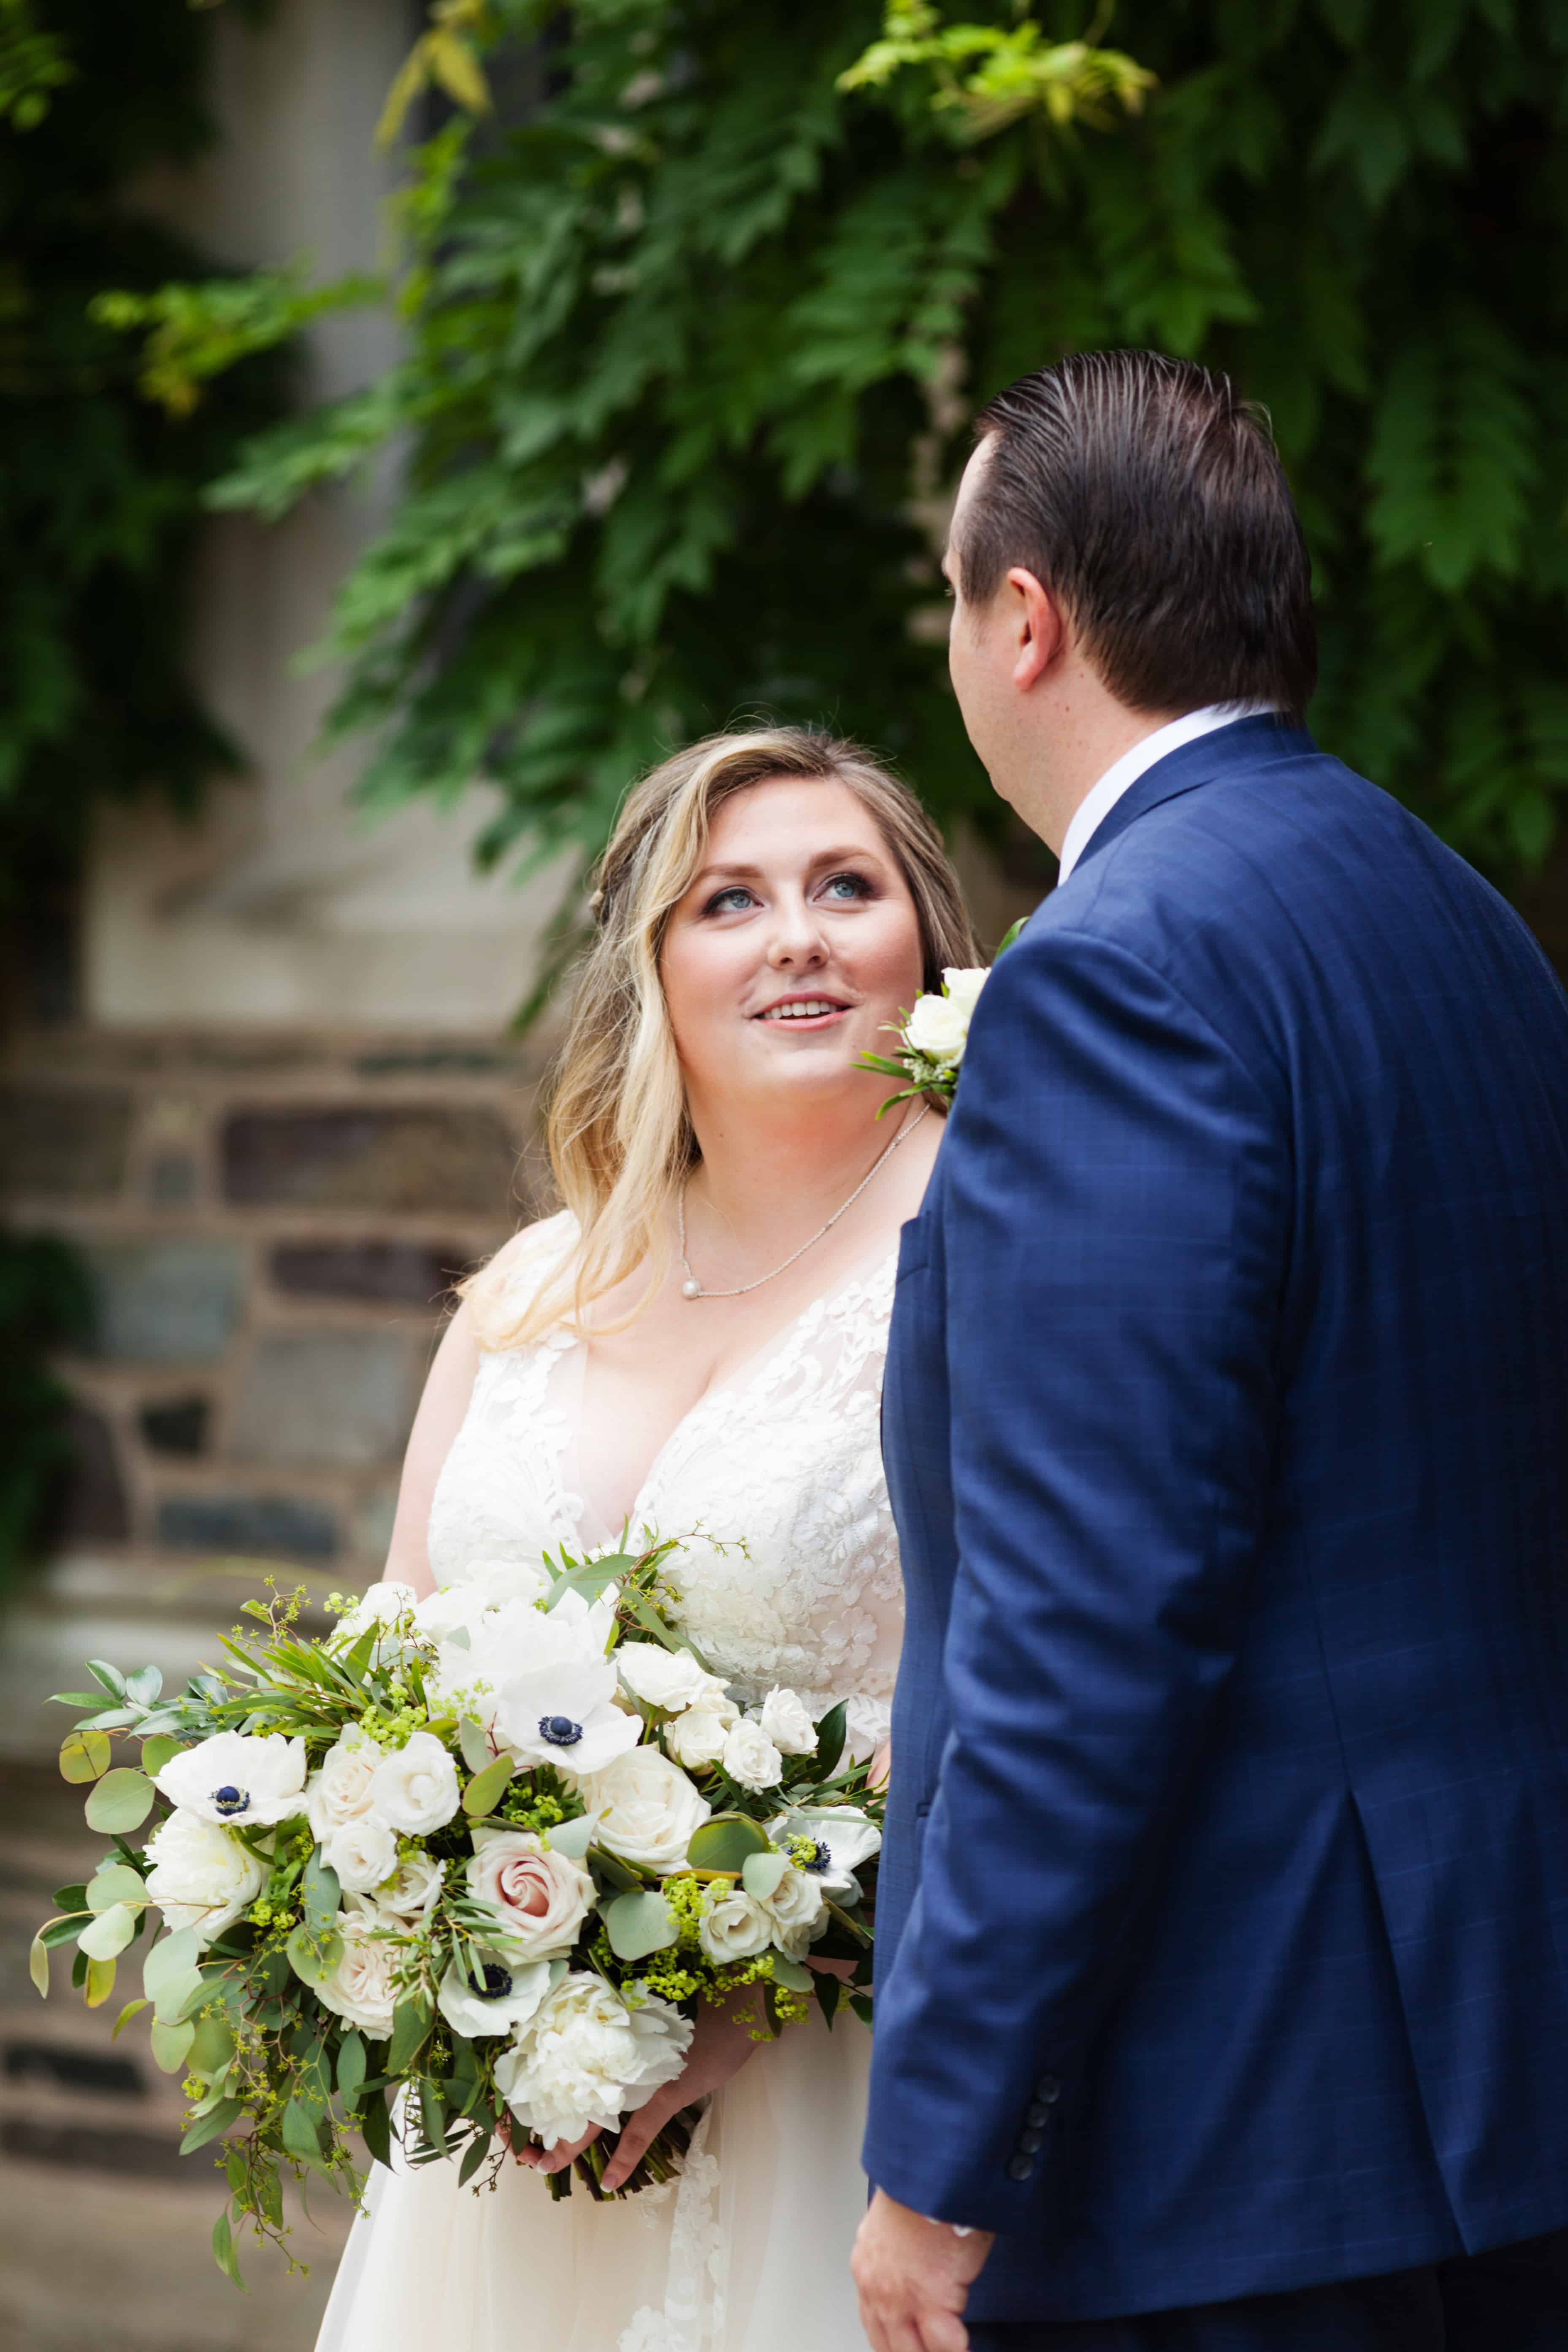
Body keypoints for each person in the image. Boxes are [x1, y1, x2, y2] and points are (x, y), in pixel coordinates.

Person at [854, 351, 1568, 2352]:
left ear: (1025, 618)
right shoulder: (1455, 914)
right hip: (1499, 2061)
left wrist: (944, 2148)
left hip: (1235, 2128)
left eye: (945, 589)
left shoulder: (1116, 973)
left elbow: (1088, 1616)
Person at [313, 723, 980, 2352]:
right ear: (655, 964)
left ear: (922, 937)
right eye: (729, 900)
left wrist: (747, 1985)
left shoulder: (993, 1248)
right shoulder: (540, 1278)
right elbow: (398, 1632)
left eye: (846, 885)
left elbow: (1024, 1676)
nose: (798, 935)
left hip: (837, 2079)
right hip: (511, 2105)